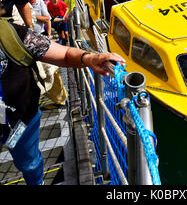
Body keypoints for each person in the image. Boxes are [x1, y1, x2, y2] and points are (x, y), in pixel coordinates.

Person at [0, 13, 125, 185]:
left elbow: (64, 54)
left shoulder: (8, 34)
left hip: (20, 124)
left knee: (28, 163)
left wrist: (89, 58)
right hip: (16, 120)